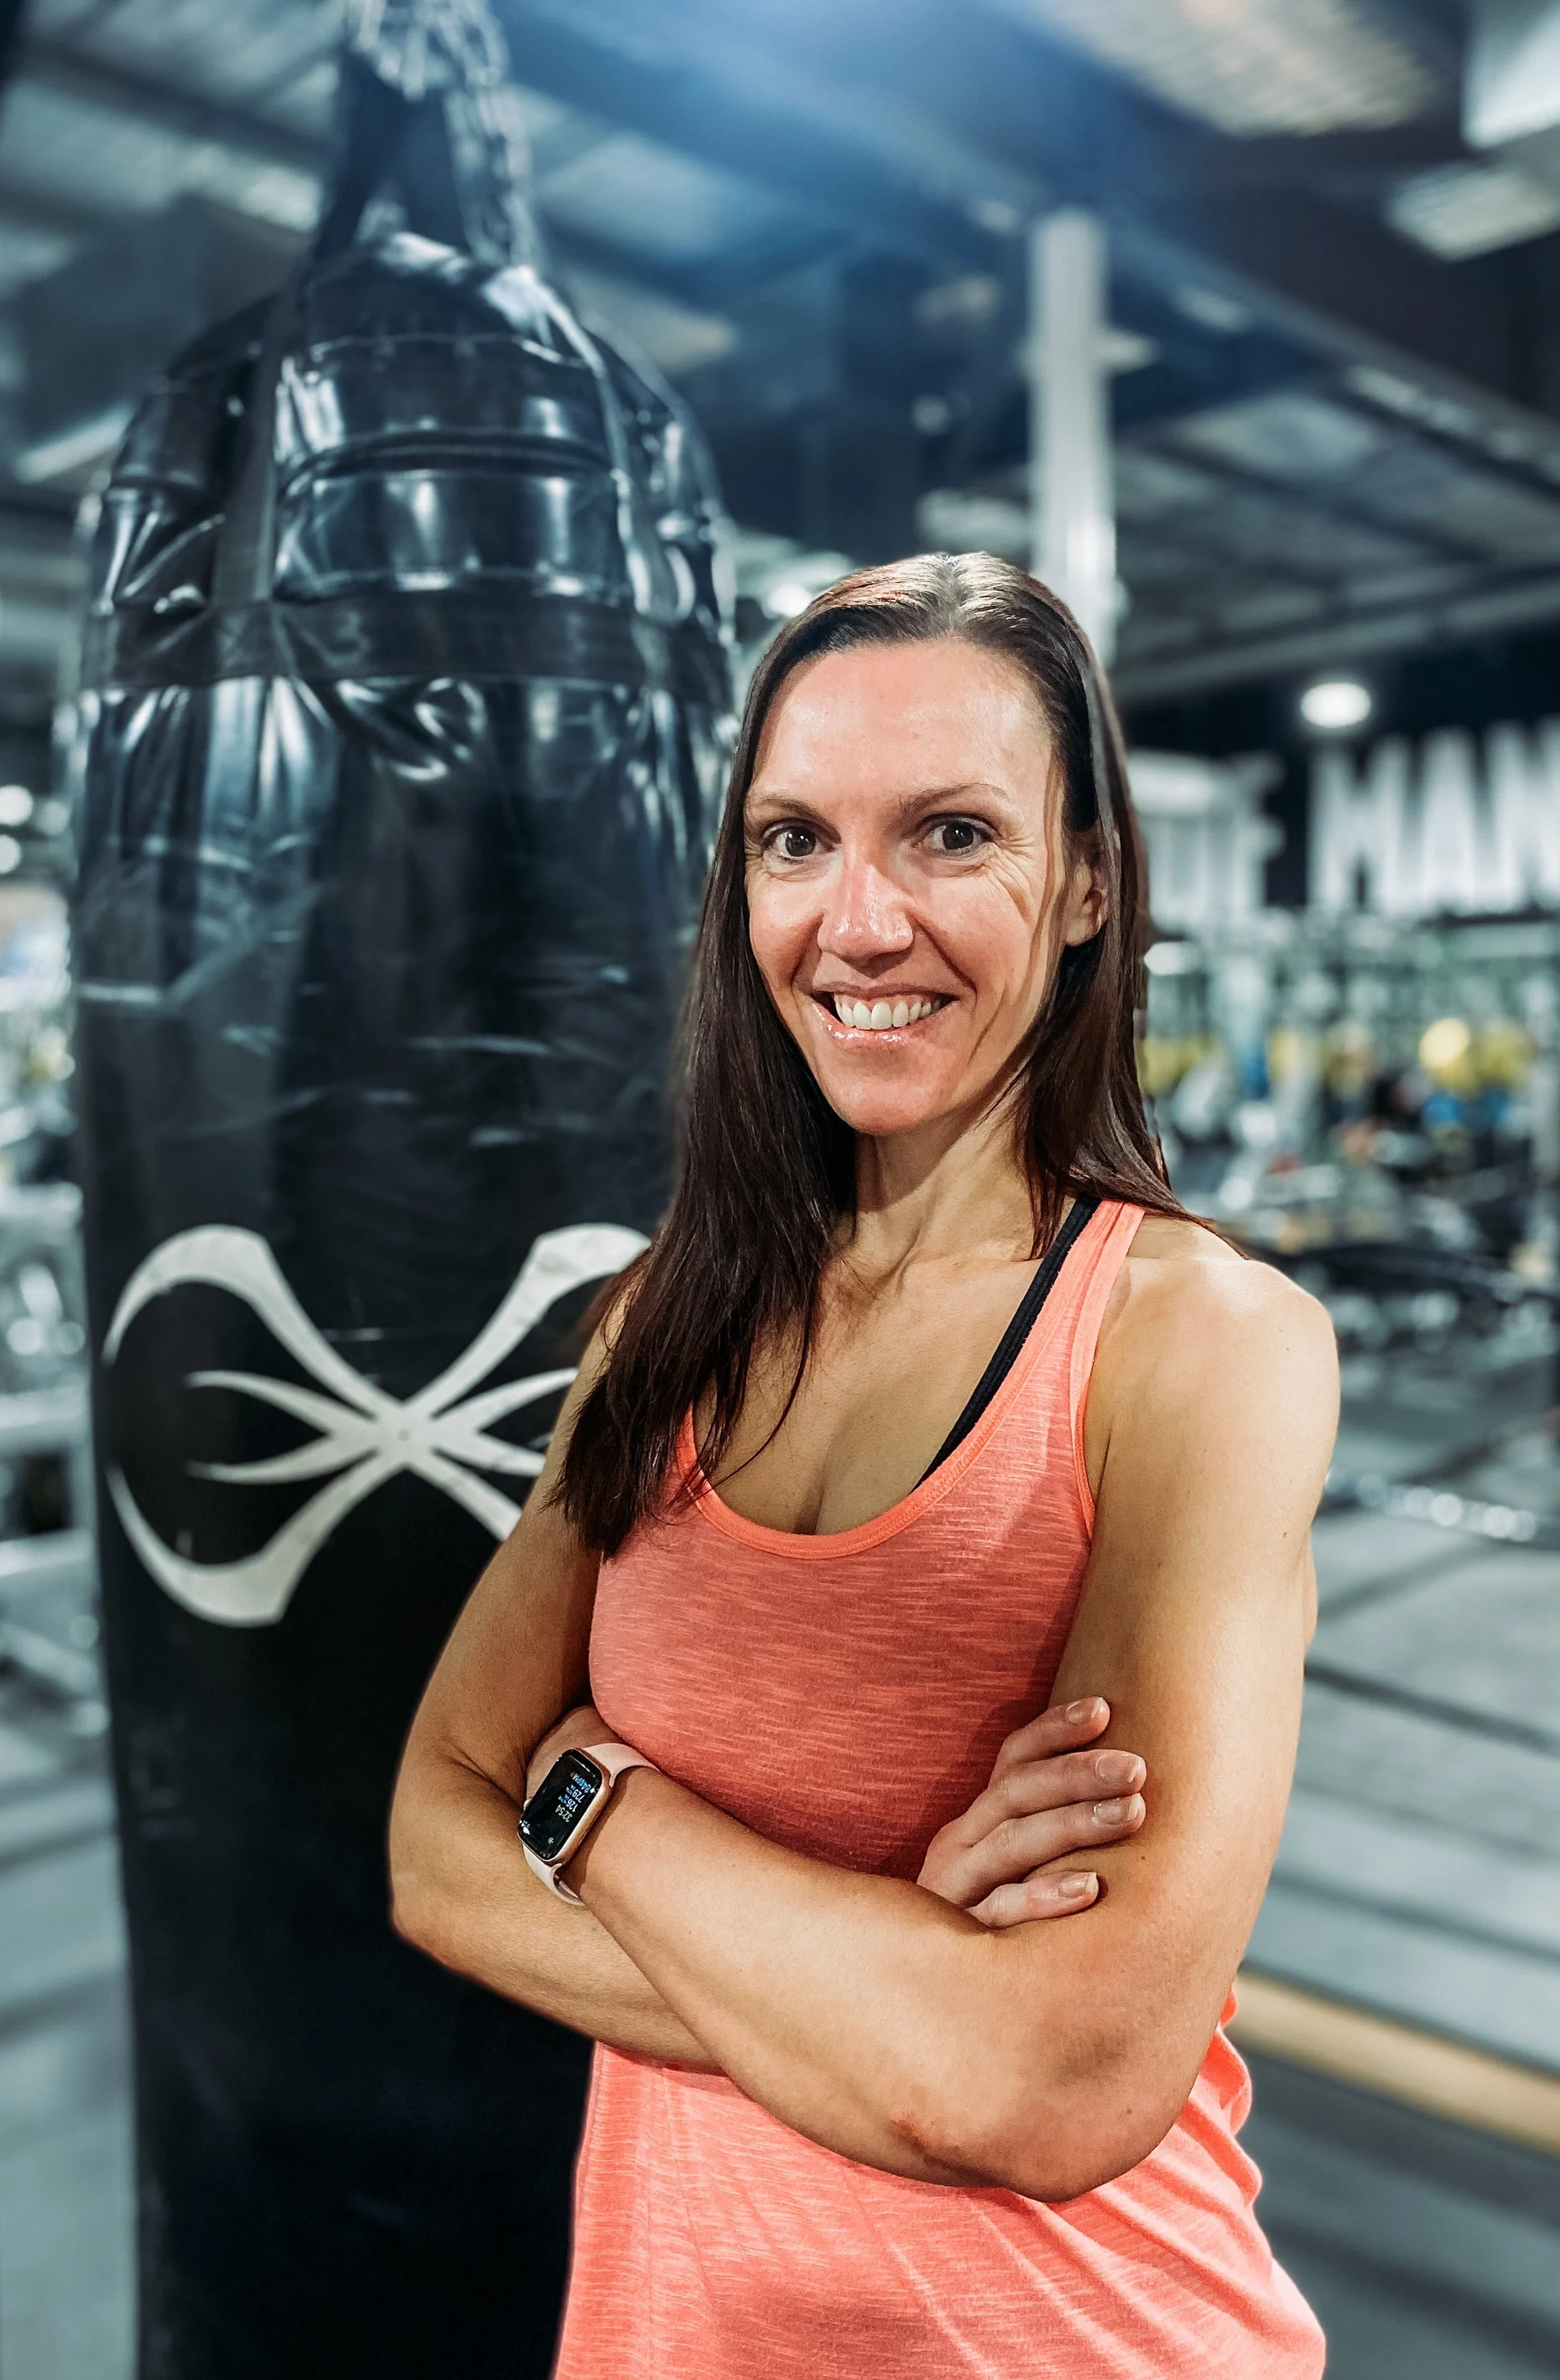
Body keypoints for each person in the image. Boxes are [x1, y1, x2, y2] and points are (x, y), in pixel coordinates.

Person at [389, 552, 1337, 2377]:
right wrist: (899, 1972)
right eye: (792, 839)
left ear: (1083, 888)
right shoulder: (660, 1325)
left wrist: (589, 1806)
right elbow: (434, 1841)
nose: (858, 920)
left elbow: (1047, 2079)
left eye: (951, 834)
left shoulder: (1198, 1349)